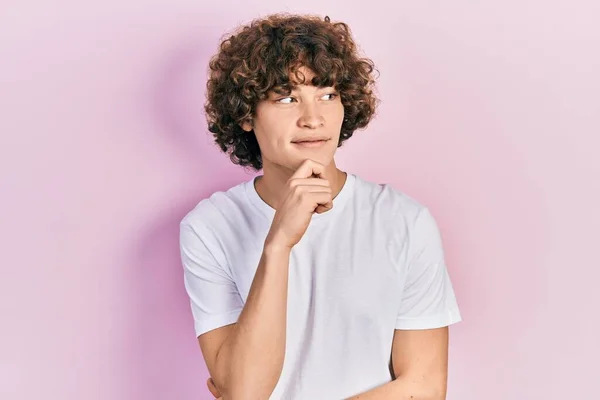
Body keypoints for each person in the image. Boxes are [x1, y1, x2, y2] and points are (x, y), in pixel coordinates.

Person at [179, 13, 462, 400]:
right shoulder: (209, 227)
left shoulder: (404, 221)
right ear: (246, 115)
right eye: (286, 98)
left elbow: (424, 387)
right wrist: (278, 244)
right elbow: (245, 392)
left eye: (327, 95)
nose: (313, 119)